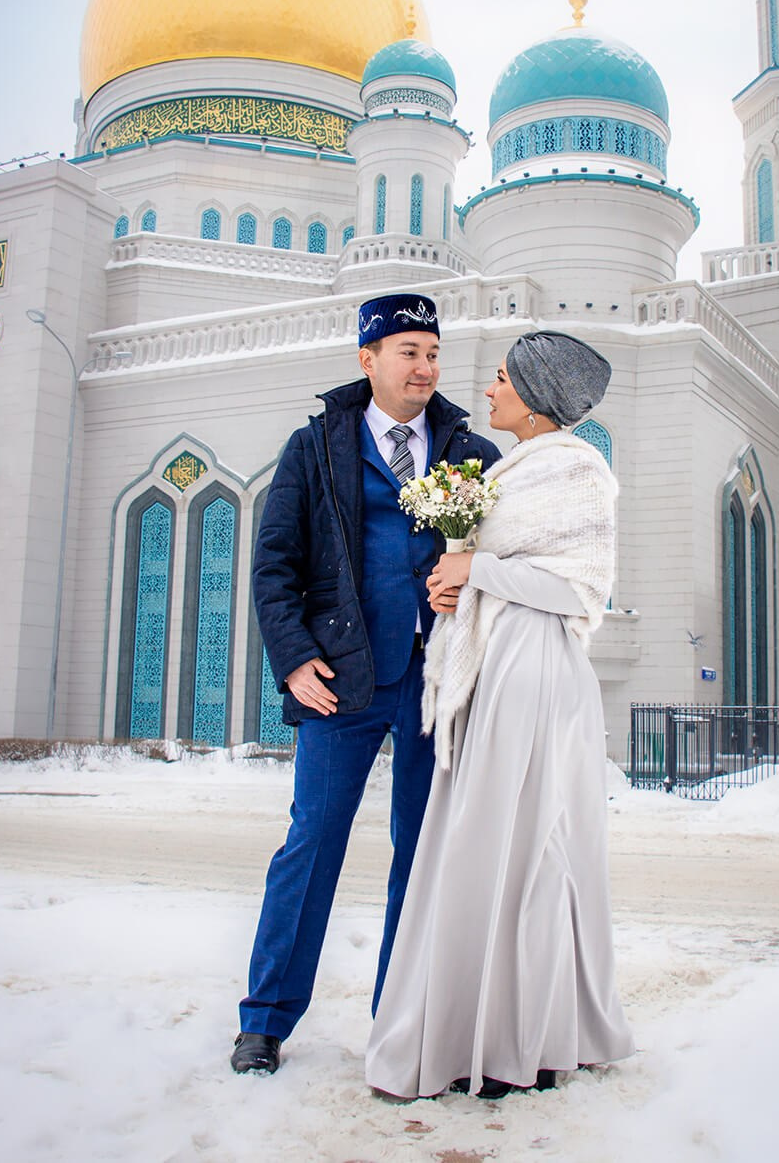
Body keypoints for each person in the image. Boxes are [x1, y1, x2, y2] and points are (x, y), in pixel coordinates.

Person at [231, 293, 501, 1075]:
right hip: (340, 680)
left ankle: (401, 1016)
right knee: (311, 844)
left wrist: (471, 579)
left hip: (437, 680)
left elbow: (498, 555)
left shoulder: (469, 451)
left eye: (432, 353)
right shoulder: (315, 448)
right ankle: (265, 1018)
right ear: (368, 359)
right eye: (408, 351)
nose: (424, 367)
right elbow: (274, 564)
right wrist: (290, 656)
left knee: (421, 853)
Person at [365, 331, 635, 1099]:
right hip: (494, 664)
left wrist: (475, 568)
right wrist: (456, 585)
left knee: (526, 846)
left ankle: (526, 1037)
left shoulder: (576, 470)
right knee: (488, 843)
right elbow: (499, 570)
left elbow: (578, 590)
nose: (487, 391)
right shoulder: (515, 468)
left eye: (501, 379)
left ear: (536, 393)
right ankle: (479, 1030)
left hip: (535, 670)